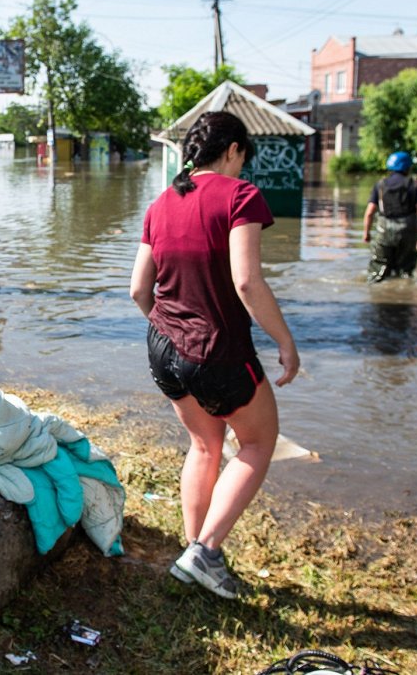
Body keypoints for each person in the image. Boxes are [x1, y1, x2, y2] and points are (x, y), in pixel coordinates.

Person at [129, 111, 299, 599]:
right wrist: (286, 342)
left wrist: (170, 329)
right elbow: (246, 281)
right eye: (242, 157)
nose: (243, 168)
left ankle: (194, 550)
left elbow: (139, 288)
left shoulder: (161, 203)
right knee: (259, 443)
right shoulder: (241, 196)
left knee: (204, 445)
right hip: (217, 350)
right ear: (233, 151)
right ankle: (204, 553)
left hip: (163, 345)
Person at [363, 150, 417, 282]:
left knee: (379, 269)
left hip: (384, 231)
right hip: (408, 231)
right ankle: (405, 294)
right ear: (408, 167)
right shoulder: (414, 184)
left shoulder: (380, 185)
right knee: (405, 269)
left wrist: (366, 232)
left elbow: (370, 211)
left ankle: (377, 295)